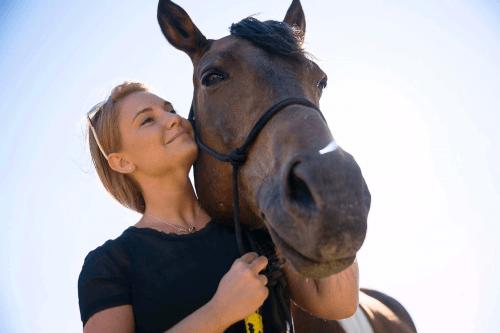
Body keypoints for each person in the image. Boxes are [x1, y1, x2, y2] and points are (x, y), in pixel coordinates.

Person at [78, 81, 359, 333]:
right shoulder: (110, 264)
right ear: (122, 162)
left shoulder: (253, 225)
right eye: (148, 120)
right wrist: (220, 312)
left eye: (170, 109)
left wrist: (329, 201)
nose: (173, 120)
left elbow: (338, 303)